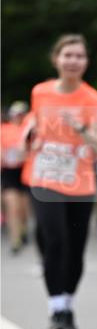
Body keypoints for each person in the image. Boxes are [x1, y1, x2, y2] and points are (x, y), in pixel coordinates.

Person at [23, 34, 97, 329]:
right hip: (45, 176)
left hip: (80, 181)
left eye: (79, 56)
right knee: (54, 239)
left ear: (85, 62)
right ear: (56, 59)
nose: (73, 61)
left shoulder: (91, 98)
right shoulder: (41, 92)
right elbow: (34, 125)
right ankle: (56, 307)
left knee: (75, 247)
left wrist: (80, 127)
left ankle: (68, 302)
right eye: (68, 55)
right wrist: (29, 133)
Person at [1, 101, 31, 253]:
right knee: (12, 207)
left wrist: (24, 154)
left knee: (23, 209)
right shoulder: (4, 129)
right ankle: (15, 240)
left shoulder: (27, 130)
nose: (18, 117)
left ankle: (23, 230)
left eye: (21, 114)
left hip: (25, 172)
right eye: (16, 114)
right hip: (9, 173)